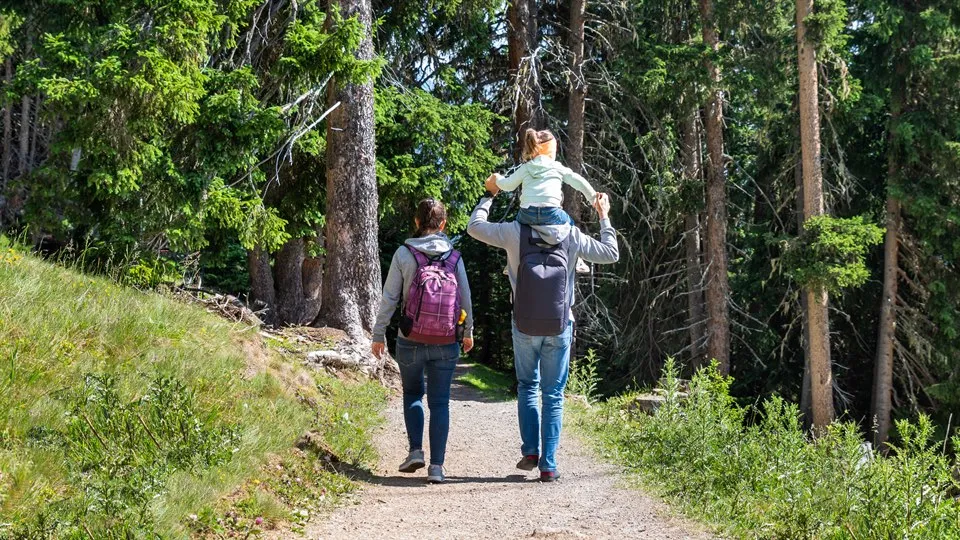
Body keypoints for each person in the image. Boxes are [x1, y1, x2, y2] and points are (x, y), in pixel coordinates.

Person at [466, 176, 618, 482]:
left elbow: (474, 227)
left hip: (523, 323)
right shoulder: (572, 235)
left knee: (527, 386)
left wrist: (489, 195)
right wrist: (604, 216)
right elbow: (610, 253)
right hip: (560, 324)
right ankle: (548, 465)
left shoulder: (512, 231)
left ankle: (530, 451)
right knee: (554, 394)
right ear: (558, 202)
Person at [371, 198, 474, 484]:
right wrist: (468, 332)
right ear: (443, 225)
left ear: (416, 223)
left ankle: (416, 451)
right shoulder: (454, 257)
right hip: (446, 340)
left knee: (413, 394)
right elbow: (465, 297)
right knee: (440, 402)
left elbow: (390, 297)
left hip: (410, 338)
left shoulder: (405, 254)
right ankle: (437, 468)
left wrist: (379, 334)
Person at [491, 128, 598, 228]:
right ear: (550, 151)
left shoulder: (526, 168)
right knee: (570, 226)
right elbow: (579, 182)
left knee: (518, 224)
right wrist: (593, 198)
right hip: (551, 213)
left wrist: (497, 178)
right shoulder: (556, 166)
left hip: (527, 214)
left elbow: (508, 185)